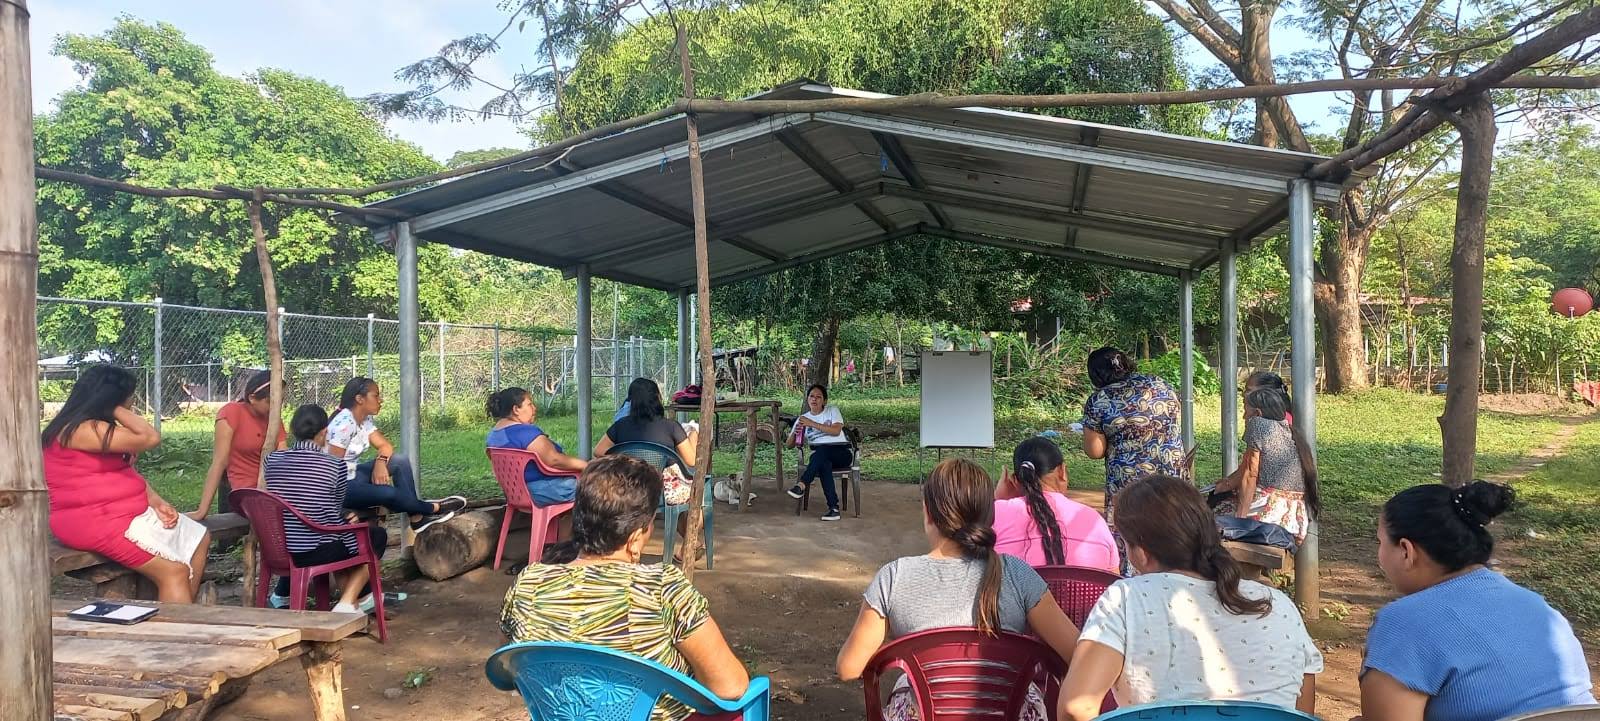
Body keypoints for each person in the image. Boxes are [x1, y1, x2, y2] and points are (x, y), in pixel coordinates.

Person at [500, 456, 750, 721]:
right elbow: (730, 687)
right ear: (634, 538)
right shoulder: (662, 588)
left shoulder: (528, 584)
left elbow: (510, 671)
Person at [1058, 475, 1321, 720]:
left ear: (1141, 552)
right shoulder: (1279, 605)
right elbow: (1301, 711)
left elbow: (1076, 709)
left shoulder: (1125, 600)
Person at [837, 459, 1080, 721]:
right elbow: (1077, 654)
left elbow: (848, 668)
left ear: (928, 513)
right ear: (992, 516)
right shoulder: (1018, 575)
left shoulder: (895, 578)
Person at [1360, 481, 1594, 721]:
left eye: (1380, 542)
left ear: (1406, 551)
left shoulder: (1402, 622)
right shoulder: (1537, 606)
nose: (1379, 555)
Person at [41, 365, 211, 603]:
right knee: (174, 572)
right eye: (130, 396)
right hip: (94, 522)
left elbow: (124, 470)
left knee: (198, 537)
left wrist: (157, 502)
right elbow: (150, 437)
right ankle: (178, 630)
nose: (133, 401)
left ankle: (182, 611)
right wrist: (114, 407)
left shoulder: (97, 427)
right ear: (114, 398)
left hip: (122, 515)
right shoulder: (81, 429)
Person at [266, 405, 383, 614]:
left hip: (282, 547)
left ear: (293, 430)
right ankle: (348, 602)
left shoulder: (271, 461)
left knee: (344, 536)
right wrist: (348, 519)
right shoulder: (334, 465)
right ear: (324, 432)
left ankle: (356, 600)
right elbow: (334, 509)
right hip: (317, 549)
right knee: (375, 536)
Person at [1078, 346, 1183, 575]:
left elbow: (1094, 451)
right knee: (1169, 525)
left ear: (1095, 375)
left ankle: (1132, 580)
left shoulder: (1100, 400)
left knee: (1130, 533)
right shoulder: (1160, 384)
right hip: (1170, 475)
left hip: (1128, 482)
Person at [326, 377, 463, 533]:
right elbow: (332, 471)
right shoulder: (344, 424)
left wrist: (380, 462)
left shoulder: (363, 419)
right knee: (387, 493)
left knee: (399, 460)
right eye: (376, 396)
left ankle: (417, 518)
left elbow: (385, 445)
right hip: (338, 487)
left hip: (352, 474)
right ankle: (432, 508)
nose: (381, 400)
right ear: (359, 399)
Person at [1211, 387, 1321, 542]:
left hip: (1270, 512)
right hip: (1293, 517)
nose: (1243, 416)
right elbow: (1245, 468)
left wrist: (1239, 522)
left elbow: (1250, 475)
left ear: (1257, 413)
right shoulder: (1286, 428)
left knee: (1208, 518)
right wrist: (1227, 483)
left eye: (1245, 411)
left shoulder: (1258, 425)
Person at [995, 437, 1118, 571]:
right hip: (1090, 593)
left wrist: (998, 501)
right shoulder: (1095, 521)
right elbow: (1113, 580)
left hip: (1016, 593)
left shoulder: (996, 515)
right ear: (1062, 472)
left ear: (1015, 480)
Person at [193, 370, 286, 519]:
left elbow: (283, 457)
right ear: (252, 398)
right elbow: (219, 462)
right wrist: (202, 510)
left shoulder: (274, 420)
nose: (276, 407)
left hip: (268, 491)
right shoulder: (232, 412)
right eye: (270, 402)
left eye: (280, 402)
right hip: (239, 491)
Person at [486, 387, 588, 506]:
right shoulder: (524, 432)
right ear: (516, 409)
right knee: (601, 488)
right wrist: (589, 466)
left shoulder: (493, 435)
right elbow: (554, 460)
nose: (535, 408)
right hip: (544, 491)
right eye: (530, 404)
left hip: (515, 493)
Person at [594, 378, 698, 469]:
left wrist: (627, 459)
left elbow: (598, 451)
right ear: (658, 398)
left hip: (629, 485)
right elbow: (691, 461)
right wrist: (694, 433)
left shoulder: (620, 425)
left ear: (631, 401)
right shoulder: (672, 427)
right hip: (662, 487)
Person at [785, 384, 850, 521]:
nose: (814, 399)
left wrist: (812, 424)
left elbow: (836, 431)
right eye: (811, 396)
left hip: (841, 452)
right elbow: (789, 445)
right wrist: (794, 433)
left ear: (824, 401)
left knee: (822, 451)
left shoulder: (832, 411)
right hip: (821, 456)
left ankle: (802, 484)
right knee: (823, 462)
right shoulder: (802, 418)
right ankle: (833, 508)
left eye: (818, 397)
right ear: (807, 399)